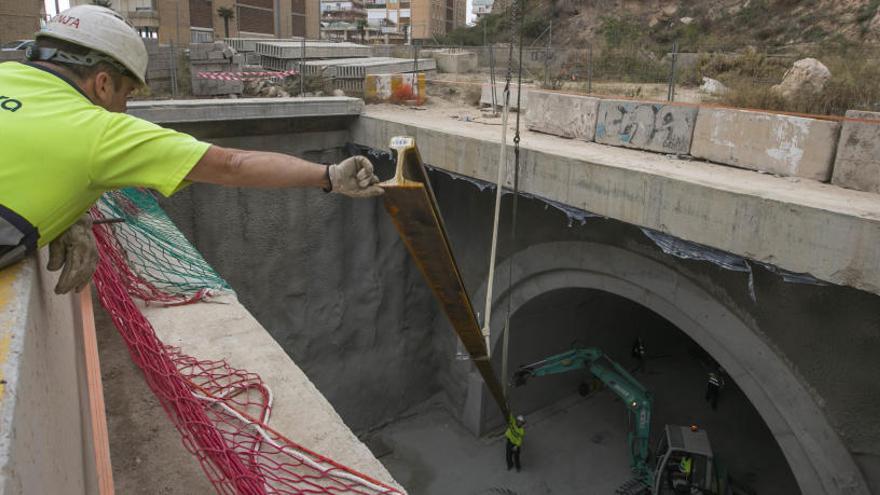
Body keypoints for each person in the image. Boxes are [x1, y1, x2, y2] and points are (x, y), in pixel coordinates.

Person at [0, 5, 382, 293]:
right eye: (127, 94)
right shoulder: (101, 131)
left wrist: (69, 212)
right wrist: (328, 176)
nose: (125, 107)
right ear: (102, 83)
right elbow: (232, 164)